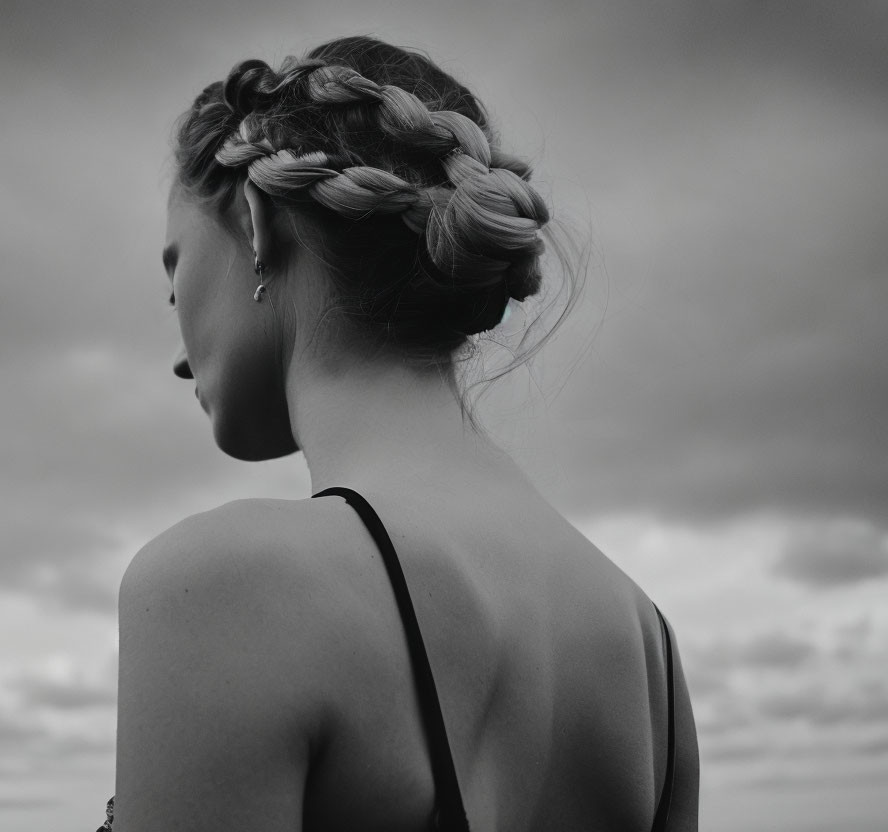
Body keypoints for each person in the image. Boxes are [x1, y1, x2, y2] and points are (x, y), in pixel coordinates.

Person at [107, 35, 699, 832]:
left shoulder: (227, 585)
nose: (179, 355)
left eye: (174, 270)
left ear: (256, 223)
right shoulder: (645, 644)